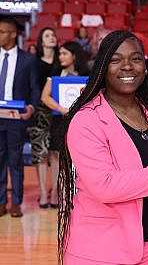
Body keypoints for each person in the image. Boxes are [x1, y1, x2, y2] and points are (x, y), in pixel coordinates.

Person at [57, 30, 148, 265]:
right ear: (103, 67)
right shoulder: (86, 120)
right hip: (100, 252)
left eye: (136, 59)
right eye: (116, 60)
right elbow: (106, 186)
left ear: (145, 67)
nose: (127, 66)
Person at [0, 17, 40, 217]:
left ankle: (16, 202)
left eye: (3, 31)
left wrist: (32, 107)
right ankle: (0, 202)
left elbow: (34, 88)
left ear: (14, 34)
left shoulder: (28, 59)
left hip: (16, 117)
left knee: (15, 160)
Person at [41, 41, 88, 207]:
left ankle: (75, 194)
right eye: (59, 53)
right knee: (56, 156)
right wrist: (62, 109)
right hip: (59, 121)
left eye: (64, 53)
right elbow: (45, 97)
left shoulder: (86, 73)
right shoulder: (55, 72)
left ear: (74, 55)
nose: (60, 56)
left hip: (80, 122)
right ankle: (55, 191)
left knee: (78, 158)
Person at [28, 27, 58, 208]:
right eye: (47, 35)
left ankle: (54, 192)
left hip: (58, 112)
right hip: (40, 113)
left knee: (56, 154)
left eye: (53, 35)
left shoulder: (62, 60)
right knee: (40, 153)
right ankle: (42, 193)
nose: (52, 37)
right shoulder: (33, 62)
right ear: (41, 41)